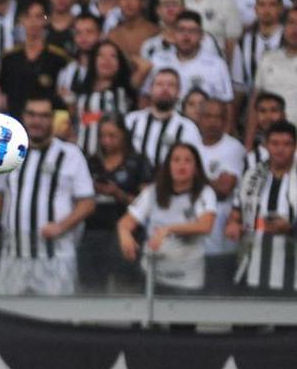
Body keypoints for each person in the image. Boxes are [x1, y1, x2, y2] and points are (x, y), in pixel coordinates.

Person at [0, 92, 96, 296]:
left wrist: (61, 226)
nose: (37, 121)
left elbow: (87, 202)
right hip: (14, 255)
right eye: (32, 114)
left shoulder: (70, 154)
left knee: (54, 314)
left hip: (55, 256)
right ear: (23, 117)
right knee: (8, 313)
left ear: (52, 118)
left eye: (43, 116)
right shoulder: (6, 153)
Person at [118, 142, 216, 293]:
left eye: (187, 160)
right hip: (152, 275)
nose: (181, 165)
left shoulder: (205, 192)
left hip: (187, 278)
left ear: (196, 168)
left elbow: (205, 225)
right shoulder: (152, 192)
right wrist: (124, 234)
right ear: (168, 166)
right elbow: (126, 222)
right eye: (176, 160)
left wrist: (168, 229)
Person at [82, 113, 154, 293]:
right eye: (103, 136)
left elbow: (147, 203)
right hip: (94, 232)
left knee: (125, 287)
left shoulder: (138, 162)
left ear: (124, 135)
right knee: (92, 288)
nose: (107, 141)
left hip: (126, 233)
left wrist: (118, 194)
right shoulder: (92, 162)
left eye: (112, 136)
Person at [226, 120, 297, 293]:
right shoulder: (252, 175)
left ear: (295, 146)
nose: (280, 149)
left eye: (286, 144)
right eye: (275, 143)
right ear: (266, 145)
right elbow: (236, 212)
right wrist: (233, 224)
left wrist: (290, 228)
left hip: (292, 272)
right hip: (254, 267)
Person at [193, 100, 245, 293]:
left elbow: (224, 189)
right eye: (208, 116)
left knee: (219, 290)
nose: (213, 122)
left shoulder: (233, 148)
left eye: (219, 117)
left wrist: (196, 177)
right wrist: (210, 180)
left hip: (221, 238)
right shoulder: (190, 146)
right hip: (193, 236)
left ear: (225, 121)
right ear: (199, 118)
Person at [126, 69, 201, 167]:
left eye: (171, 85)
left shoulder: (188, 128)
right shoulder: (131, 120)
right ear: (150, 89)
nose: (165, 89)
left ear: (179, 92)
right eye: (159, 84)